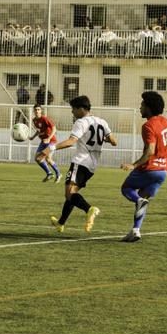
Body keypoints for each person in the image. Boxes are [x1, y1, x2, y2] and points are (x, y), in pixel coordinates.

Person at [47, 96, 117, 233]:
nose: (72, 112)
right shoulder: (102, 122)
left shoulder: (81, 122)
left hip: (80, 162)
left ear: (81, 109)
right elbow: (114, 141)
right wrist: (100, 139)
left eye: (73, 109)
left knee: (69, 194)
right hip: (92, 166)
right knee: (72, 193)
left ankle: (89, 209)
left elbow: (71, 141)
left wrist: (51, 147)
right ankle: (61, 223)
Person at [119, 91, 167, 242]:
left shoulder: (148, 125)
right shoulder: (166, 122)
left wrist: (134, 165)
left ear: (149, 108)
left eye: (142, 104)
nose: (140, 107)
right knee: (142, 200)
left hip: (150, 169)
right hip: (163, 171)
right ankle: (135, 230)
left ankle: (138, 206)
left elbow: (150, 150)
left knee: (126, 189)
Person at [30, 105, 61, 182]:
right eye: (35, 110)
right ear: (34, 111)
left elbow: (54, 129)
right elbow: (38, 130)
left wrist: (48, 138)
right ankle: (50, 174)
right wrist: (33, 137)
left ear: (41, 111)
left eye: (38, 109)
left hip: (51, 142)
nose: (37, 111)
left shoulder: (45, 119)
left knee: (47, 159)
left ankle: (57, 174)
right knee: (37, 159)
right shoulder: (34, 120)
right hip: (43, 142)